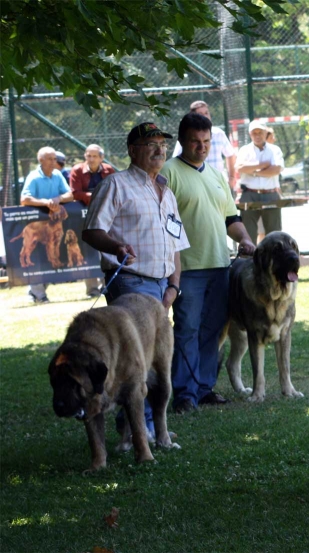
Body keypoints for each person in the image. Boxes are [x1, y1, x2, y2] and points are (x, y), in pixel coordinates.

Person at [83, 122, 189, 437]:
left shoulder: (167, 192)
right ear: (132, 150)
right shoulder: (116, 184)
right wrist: (115, 246)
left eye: (162, 144)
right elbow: (91, 231)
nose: (159, 150)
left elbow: (176, 246)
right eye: (150, 144)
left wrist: (173, 286)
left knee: (156, 362)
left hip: (161, 287)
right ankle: (132, 433)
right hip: (129, 282)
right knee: (134, 363)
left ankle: (149, 431)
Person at [161, 113, 255, 413]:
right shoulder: (167, 173)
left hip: (220, 265)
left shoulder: (216, 175)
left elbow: (231, 219)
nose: (201, 147)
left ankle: (204, 388)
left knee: (212, 330)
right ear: (182, 141)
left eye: (206, 142)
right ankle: (184, 394)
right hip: (186, 268)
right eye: (195, 141)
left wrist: (245, 239)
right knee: (187, 329)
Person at [20, 146, 74, 303]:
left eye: (55, 159)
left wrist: (58, 199)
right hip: (37, 226)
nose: (54, 162)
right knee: (37, 259)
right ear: (41, 160)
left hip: (55, 224)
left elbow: (69, 195)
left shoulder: (57, 175)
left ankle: (34, 292)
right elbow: (25, 199)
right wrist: (44, 202)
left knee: (52, 258)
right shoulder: (34, 177)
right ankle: (38, 294)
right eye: (50, 159)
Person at [70, 144, 116, 297]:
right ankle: (92, 290)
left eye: (94, 156)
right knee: (88, 252)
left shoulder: (109, 170)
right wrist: (97, 196)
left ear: (101, 158)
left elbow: (114, 190)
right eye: (88, 155)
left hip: (107, 218)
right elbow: (75, 193)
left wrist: (95, 196)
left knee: (108, 250)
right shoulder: (77, 170)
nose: (91, 159)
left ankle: (107, 286)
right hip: (85, 218)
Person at [235, 120, 284, 244]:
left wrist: (253, 172)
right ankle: (248, 262)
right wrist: (263, 165)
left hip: (271, 194)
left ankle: (273, 261)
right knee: (248, 233)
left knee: (274, 234)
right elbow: (240, 167)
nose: (257, 135)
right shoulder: (244, 150)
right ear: (250, 134)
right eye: (254, 133)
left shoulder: (275, 150)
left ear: (265, 133)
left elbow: (276, 169)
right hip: (249, 194)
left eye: (260, 132)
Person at [172, 100, 237, 193]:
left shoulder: (219, 133)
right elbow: (176, 158)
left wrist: (231, 178)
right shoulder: (187, 136)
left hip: (218, 184)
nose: (205, 116)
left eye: (207, 113)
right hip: (194, 185)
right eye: (201, 113)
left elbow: (230, 154)